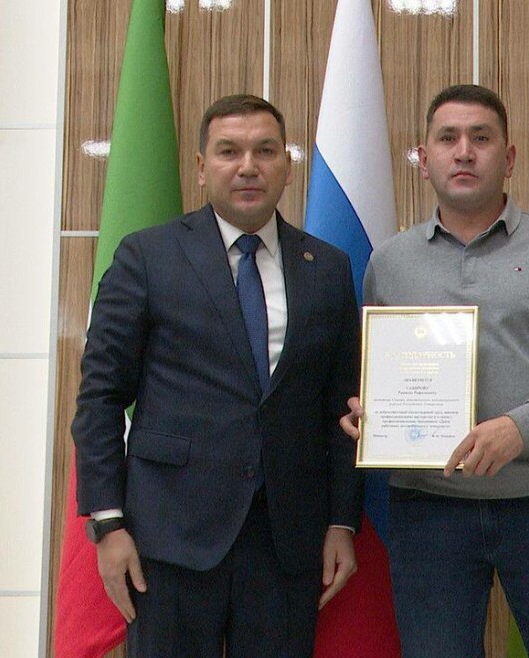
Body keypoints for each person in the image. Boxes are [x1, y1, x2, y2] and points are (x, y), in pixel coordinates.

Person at [340, 84, 529, 658]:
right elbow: (379, 372)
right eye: (447, 138)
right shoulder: (390, 262)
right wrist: (370, 416)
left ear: (510, 157)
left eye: (481, 137)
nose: (464, 151)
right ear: (424, 159)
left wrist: (523, 427)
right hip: (429, 512)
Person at [73, 94, 363, 658]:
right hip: (168, 539)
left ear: (287, 166)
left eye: (265, 151)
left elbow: (343, 408)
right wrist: (108, 523)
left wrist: (342, 522)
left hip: (286, 541)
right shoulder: (147, 257)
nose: (248, 166)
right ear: (202, 168)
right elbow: (100, 398)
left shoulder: (327, 267)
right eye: (229, 152)